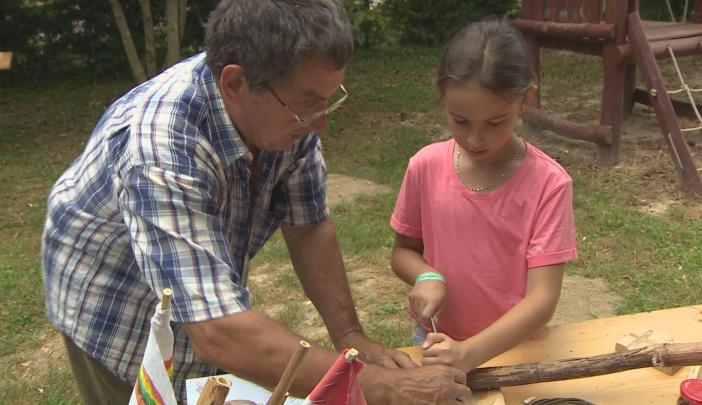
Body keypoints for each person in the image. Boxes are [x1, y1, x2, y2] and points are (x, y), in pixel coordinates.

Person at [41, 0, 471, 403]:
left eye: (328, 99)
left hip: (201, 303)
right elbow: (218, 332)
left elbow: (309, 225)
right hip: (111, 299)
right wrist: (379, 387)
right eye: (308, 104)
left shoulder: (285, 112)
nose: (320, 122)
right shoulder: (159, 145)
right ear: (235, 83)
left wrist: (349, 335)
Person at [389, 18, 577, 373]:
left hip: (515, 349)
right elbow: (403, 251)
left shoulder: (549, 185)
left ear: (526, 100)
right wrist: (426, 276)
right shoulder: (424, 166)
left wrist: (470, 354)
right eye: (460, 121)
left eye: (494, 123)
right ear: (443, 100)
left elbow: (543, 298)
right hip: (437, 343)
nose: (475, 139)